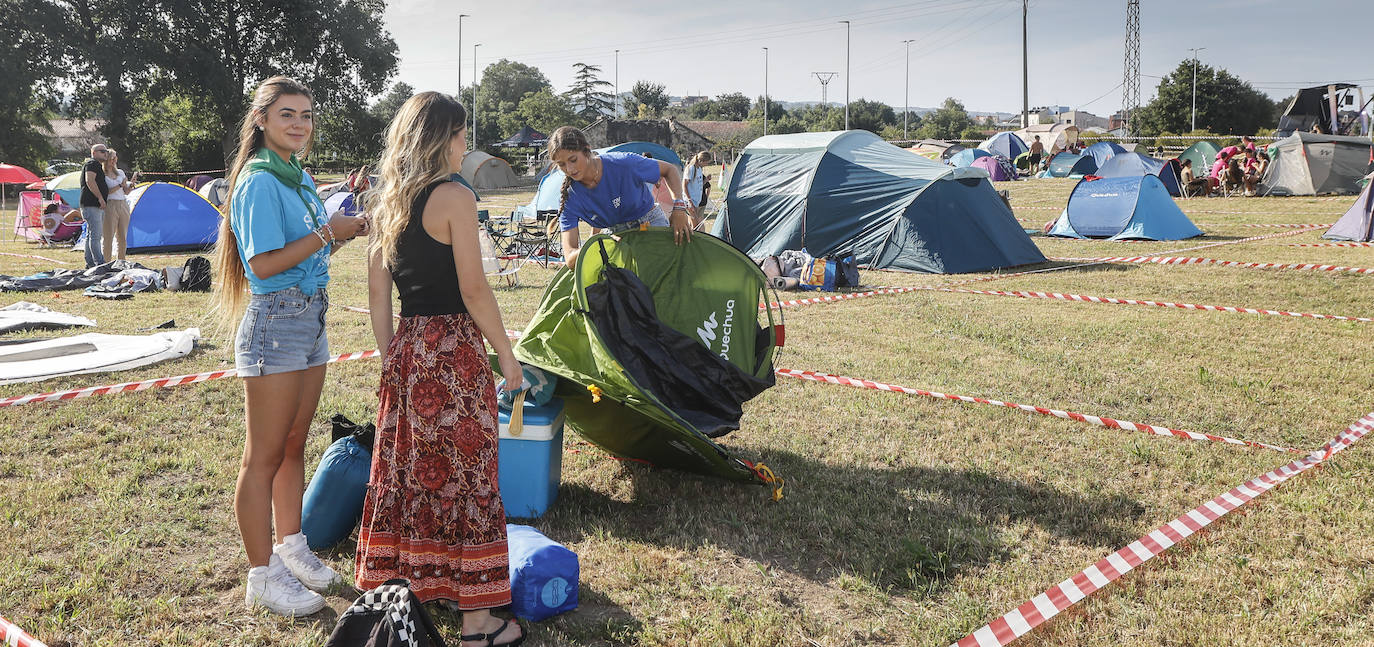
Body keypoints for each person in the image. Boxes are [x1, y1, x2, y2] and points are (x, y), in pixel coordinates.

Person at [357, 90, 525, 647]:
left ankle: (409, 588)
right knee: (469, 474)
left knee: (413, 474)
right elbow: (474, 290)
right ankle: (477, 623)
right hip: (453, 348)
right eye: (459, 135)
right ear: (439, 138)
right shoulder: (455, 197)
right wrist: (507, 354)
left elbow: (379, 298)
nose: (465, 146)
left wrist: (393, 360)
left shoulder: (387, 202)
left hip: (408, 348)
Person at [213, 75, 367, 617]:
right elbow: (262, 265)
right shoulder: (259, 180)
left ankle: (291, 545)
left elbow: (304, 254)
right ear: (261, 121)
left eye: (305, 115)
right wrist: (330, 233)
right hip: (275, 324)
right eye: (287, 115)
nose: (299, 124)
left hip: (310, 321)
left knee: (295, 443)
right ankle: (262, 576)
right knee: (263, 456)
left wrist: (342, 232)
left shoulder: (297, 177)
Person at [546, 126, 692, 267]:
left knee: (664, 279)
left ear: (587, 150)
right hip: (614, 238)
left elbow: (669, 170)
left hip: (650, 224)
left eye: (573, 160)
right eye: (561, 165)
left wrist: (679, 208)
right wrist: (597, 244)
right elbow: (570, 259)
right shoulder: (569, 198)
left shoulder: (623, 163)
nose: (569, 169)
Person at [78, 144, 110, 268]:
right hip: (92, 204)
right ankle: (99, 263)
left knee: (91, 235)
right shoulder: (92, 164)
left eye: (106, 151)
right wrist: (100, 198)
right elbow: (89, 181)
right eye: (102, 151)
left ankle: (90, 263)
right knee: (95, 236)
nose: (105, 154)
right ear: (94, 152)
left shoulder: (96, 165)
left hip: (92, 205)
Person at [102, 149, 132, 261]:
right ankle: (106, 262)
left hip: (123, 204)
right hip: (110, 205)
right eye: (112, 158)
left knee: (122, 236)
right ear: (106, 159)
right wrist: (120, 185)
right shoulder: (102, 175)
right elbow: (106, 192)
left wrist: (129, 186)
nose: (114, 160)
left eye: (116, 157)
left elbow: (125, 191)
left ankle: (121, 261)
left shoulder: (120, 172)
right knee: (108, 236)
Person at [683, 151, 712, 227]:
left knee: (694, 224)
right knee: (695, 225)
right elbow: (684, 185)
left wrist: (706, 180)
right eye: (707, 162)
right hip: (690, 201)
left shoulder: (699, 169)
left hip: (696, 201)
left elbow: (698, 185)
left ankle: (687, 237)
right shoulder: (691, 168)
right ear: (701, 161)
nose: (707, 164)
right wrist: (689, 200)